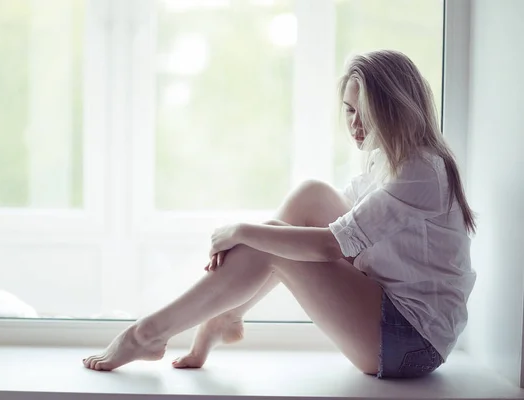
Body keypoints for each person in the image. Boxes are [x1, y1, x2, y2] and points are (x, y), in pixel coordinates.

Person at [82, 50, 476, 379]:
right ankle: (226, 317)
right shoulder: (383, 160)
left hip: (410, 344)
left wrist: (242, 231)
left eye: (365, 113)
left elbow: (328, 246)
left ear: (395, 111)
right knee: (310, 196)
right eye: (348, 111)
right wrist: (255, 236)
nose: (354, 126)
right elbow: (329, 223)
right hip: (392, 313)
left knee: (270, 240)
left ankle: (148, 333)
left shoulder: (420, 171)